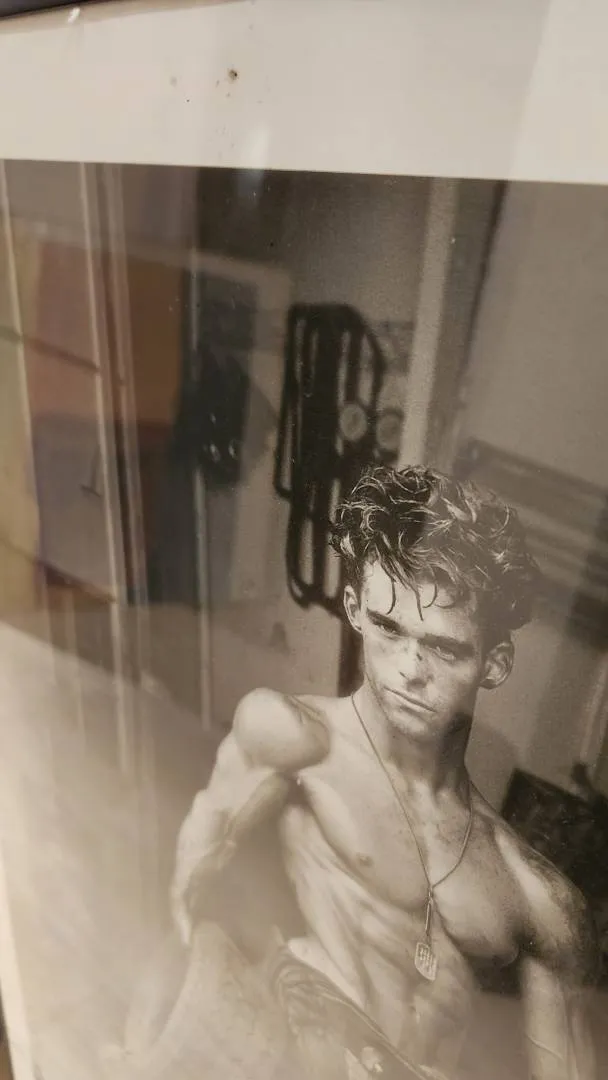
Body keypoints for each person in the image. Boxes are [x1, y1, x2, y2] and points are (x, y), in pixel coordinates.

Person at [168, 464, 597, 1080]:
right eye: (389, 629)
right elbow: (192, 886)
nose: (408, 670)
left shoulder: (540, 899)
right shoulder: (295, 739)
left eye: (444, 647)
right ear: (355, 610)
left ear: (494, 664)